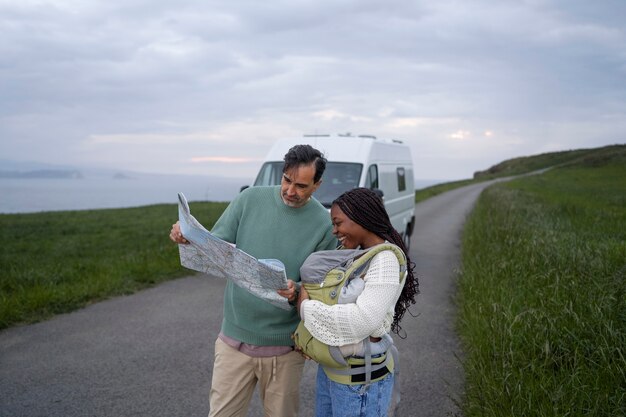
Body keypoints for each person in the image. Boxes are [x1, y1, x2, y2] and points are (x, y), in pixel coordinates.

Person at [169, 144, 337, 417]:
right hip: (233, 340)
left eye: (302, 186)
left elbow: (322, 290)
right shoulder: (249, 199)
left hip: (285, 349)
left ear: (318, 185)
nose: (290, 191)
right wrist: (186, 236)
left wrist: (297, 291)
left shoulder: (324, 225)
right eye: (287, 180)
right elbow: (215, 244)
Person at [296, 187, 419, 417]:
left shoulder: (385, 261)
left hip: (361, 382)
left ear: (359, 219)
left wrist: (305, 308)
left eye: (338, 223)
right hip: (334, 371)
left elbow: (363, 320)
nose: (335, 231)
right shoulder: (358, 255)